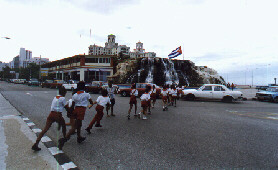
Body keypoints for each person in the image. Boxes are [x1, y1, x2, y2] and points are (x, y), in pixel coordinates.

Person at [58, 81, 94, 150]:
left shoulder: (75, 95)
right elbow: (91, 102)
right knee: (75, 126)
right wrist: (90, 104)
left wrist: (70, 112)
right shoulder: (87, 94)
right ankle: (64, 139)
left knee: (79, 124)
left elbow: (72, 106)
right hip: (81, 110)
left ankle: (79, 137)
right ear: (84, 87)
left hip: (76, 110)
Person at [32, 87, 69, 151]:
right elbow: (67, 108)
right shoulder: (62, 98)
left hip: (51, 114)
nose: (65, 93)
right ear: (63, 92)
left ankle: (36, 143)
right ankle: (64, 139)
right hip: (57, 115)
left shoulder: (55, 97)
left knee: (45, 129)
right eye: (65, 92)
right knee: (64, 126)